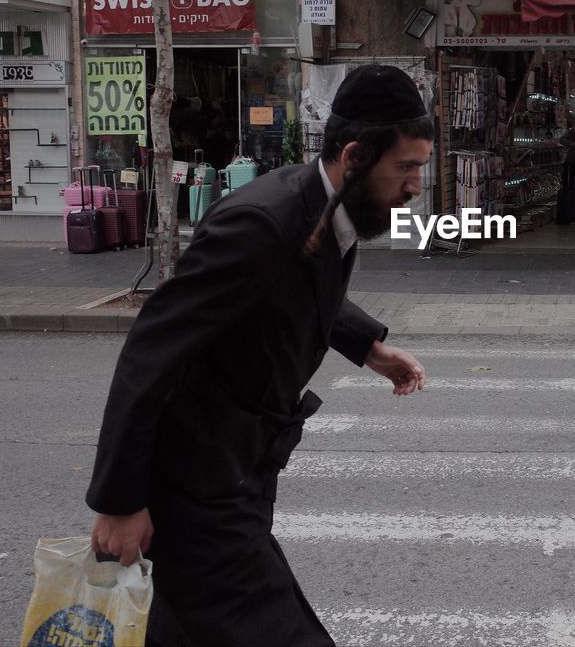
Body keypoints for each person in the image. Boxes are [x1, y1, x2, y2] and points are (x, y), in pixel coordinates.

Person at [86, 65, 434, 646]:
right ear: (354, 157)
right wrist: (119, 502)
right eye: (406, 167)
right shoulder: (261, 222)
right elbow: (153, 347)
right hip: (197, 490)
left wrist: (366, 345)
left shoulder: (320, 206)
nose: (416, 185)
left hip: (239, 473)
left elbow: (288, 284)